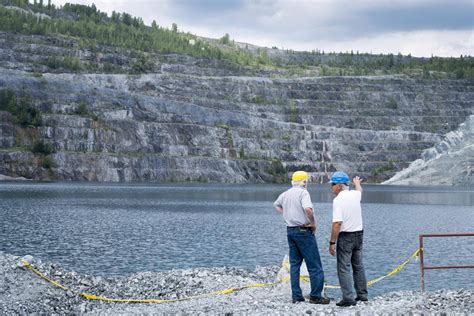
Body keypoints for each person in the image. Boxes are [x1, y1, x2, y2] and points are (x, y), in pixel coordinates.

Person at [274, 171, 329, 305]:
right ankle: (316, 296)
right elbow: (308, 210)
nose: (307, 183)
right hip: (304, 231)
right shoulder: (303, 192)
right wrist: (313, 223)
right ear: (304, 182)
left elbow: (276, 204)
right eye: (306, 180)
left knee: (294, 265)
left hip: (290, 231)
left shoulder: (286, 193)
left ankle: (296, 296)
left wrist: (286, 214)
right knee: (314, 265)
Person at [328, 171, 368, 307]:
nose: (331, 187)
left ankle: (348, 298)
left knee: (343, 267)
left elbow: (337, 223)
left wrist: (332, 242)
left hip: (346, 237)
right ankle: (362, 295)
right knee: (358, 265)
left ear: (339, 186)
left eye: (332, 184)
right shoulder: (355, 195)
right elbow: (359, 191)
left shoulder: (338, 200)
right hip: (359, 234)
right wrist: (357, 184)